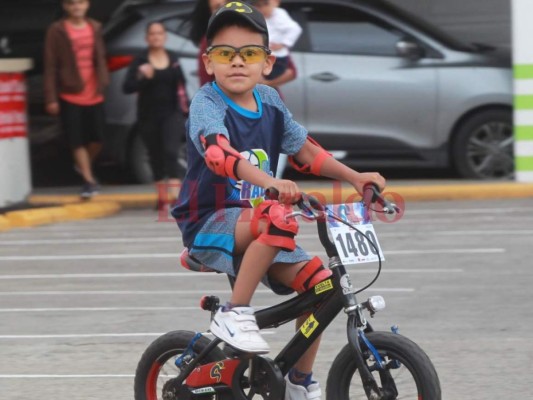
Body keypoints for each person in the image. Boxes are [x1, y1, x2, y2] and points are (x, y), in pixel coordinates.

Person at [171, 3, 386, 399]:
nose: (237, 62)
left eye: (249, 53)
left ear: (267, 62)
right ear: (208, 62)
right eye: (225, 54)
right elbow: (220, 155)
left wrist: (356, 178)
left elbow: (306, 150)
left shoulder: (269, 100)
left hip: (259, 225)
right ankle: (235, 315)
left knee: (322, 286)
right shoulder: (208, 103)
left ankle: (297, 381)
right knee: (277, 215)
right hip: (209, 222)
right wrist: (271, 183)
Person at [44, 0, 109, 199]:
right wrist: (51, 98)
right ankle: (89, 181)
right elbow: (50, 65)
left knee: (98, 138)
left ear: (87, 5)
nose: (76, 7)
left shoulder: (95, 27)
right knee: (76, 139)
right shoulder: (57, 30)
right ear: (65, 6)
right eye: (71, 3)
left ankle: (82, 165)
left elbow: (100, 56)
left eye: (80, 2)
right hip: (69, 92)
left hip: (94, 91)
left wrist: (104, 79)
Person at [123, 21, 189, 207]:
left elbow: (181, 86)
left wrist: (187, 108)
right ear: (147, 38)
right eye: (152, 34)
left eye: (159, 33)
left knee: (170, 151)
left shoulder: (173, 58)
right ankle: (161, 197)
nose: (156, 37)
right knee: (155, 154)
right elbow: (127, 87)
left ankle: (176, 196)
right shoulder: (140, 60)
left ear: (165, 36)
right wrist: (142, 77)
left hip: (172, 113)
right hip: (148, 115)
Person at [251, 0, 302, 85]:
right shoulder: (256, 18)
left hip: (276, 57)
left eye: (265, 4)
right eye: (258, 6)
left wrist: (283, 44)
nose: (262, 8)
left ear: (276, 3)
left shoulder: (279, 14)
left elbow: (295, 29)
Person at [189, 0, 227, 86]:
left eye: (226, 3)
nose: (224, 8)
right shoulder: (207, 42)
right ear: (210, 13)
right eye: (217, 7)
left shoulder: (250, 32)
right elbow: (205, 81)